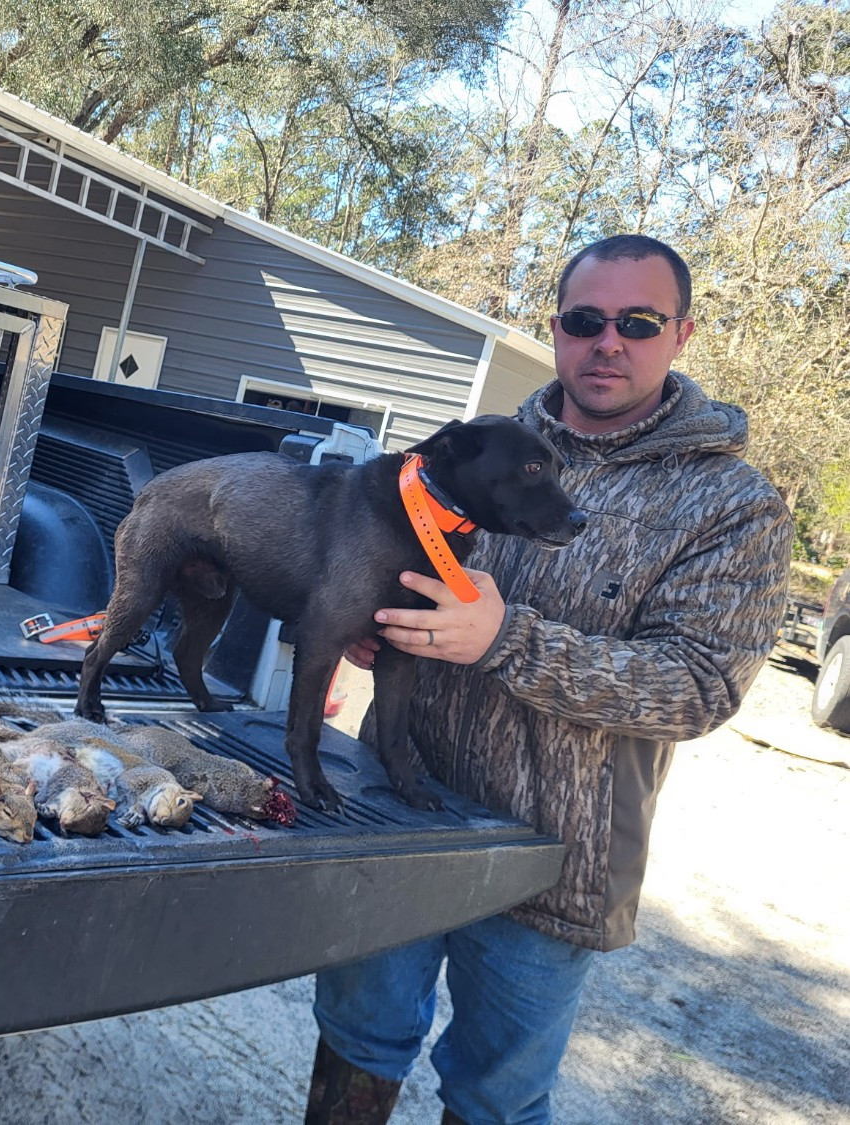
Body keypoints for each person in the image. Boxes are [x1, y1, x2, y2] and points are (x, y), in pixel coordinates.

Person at [305, 234, 793, 1125]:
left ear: (681, 333)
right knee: (357, 1037)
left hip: (553, 860)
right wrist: (378, 627)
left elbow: (699, 685)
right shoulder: (465, 450)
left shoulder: (733, 505)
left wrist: (507, 641)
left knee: (496, 1096)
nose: (608, 341)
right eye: (584, 319)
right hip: (395, 807)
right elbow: (376, 562)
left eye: (638, 322)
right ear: (558, 328)